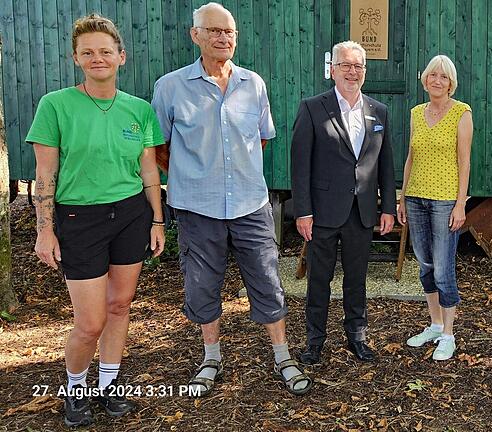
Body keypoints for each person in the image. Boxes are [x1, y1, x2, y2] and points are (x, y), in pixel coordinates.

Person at [151, 2, 311, 397]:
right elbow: (158, 147)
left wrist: (232, 171)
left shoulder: (252, 84)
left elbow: (259, 139)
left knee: (268, 281)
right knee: (202, 286)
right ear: (196, 35)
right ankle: (211, 357)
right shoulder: (170, 87)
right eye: (215, 31)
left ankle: (283, 356)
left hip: (249, 204)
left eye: (230, 32)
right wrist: (196, 176)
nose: (224, 38)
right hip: (196, 206)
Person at [26, 14, 165, 427]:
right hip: (77, 218)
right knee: (90, 321)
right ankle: (75, 387)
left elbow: (149, 171)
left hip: (129, 215)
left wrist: (157, 221)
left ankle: (109, 386)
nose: (98, 58)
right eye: (88, 52)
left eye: (106, 51)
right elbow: (45, 174)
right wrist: (44, 229)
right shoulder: (55, 105)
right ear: (76, 59)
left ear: (121, 57)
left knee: (120, 306)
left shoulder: (138, 109)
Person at [291, 40, 396, 365]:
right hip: (322, 211)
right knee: (319, 280)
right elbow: (300, 163)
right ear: (332, 70)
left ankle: (357, 337)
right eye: (346, 65)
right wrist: (303, 211)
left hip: (362, 212)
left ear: (365, 71)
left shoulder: (378, 111)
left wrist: (388, 207)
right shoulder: (312, 107)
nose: (352, 71)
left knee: (357, 278)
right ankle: (314, 342)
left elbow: (385, 162)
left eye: (358, 66)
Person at [397, 55, 472, 361]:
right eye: (432, 75)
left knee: (443, 270)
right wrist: (402, 196)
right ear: (425, 79)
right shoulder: (416, 113)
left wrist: (460, 204)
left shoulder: (461, 113)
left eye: (443, 76)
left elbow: (464, 161)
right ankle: (435, 324)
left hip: (445, 202)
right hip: (416, 197)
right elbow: (411, 158)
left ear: (450, 82)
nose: (437, 80)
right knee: (425, 265)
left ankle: (449, 335)